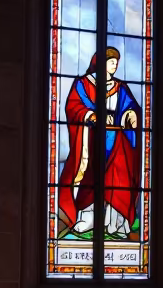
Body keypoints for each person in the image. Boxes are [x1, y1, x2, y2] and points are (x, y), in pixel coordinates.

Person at [57, 47, 144, 239]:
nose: (115, 66)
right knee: (91, 176)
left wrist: (130, 114)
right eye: (111, 62)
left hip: (117, 139)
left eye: (116, 63)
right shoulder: (83, 84)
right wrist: (91, 115)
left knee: (118, 179)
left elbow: (131, 107)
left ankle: (116, 223)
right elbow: (74, 106)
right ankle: (88, 219)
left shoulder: (120, 87)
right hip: (92, 138)